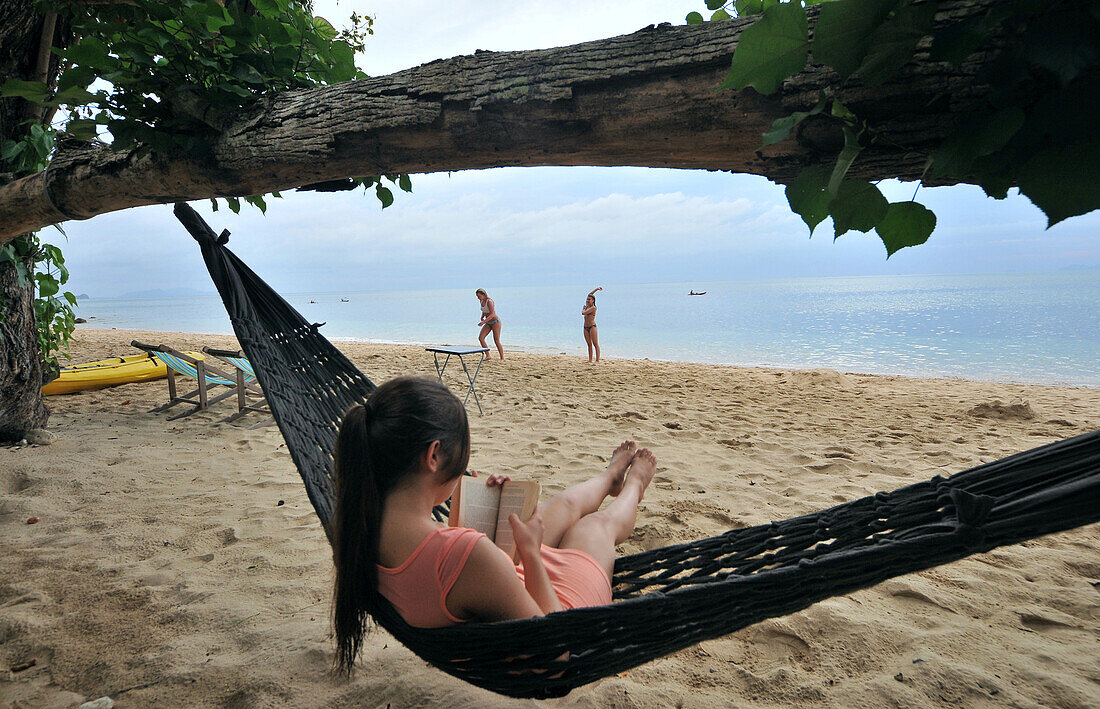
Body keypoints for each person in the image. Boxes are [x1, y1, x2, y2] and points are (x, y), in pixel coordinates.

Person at [330, 376, 657, 673]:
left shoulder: (360, 524)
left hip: (499, 594)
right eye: (461, 460)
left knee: (556, 508)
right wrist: (529, 552)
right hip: (560, 617)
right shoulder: (467, 554)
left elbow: (442, 568)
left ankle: (608, 477)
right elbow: (555, 654)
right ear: (433, 456)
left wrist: (477, 510)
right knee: (594, 528)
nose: (462, 470)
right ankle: (633, 487)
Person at [475, 288, 505, 361]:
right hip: (488, 322)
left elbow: (492, 314)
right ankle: (488, 355)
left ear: (483, 294)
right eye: (477, 296)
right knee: (481, 338)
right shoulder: (481, 301)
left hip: (495, 322)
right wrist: (482, 316)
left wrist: (483, 322)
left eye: (479, 296)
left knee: (496, 340)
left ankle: (502, 358)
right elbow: (485, 310)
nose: (478, 298)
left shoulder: (489, 301)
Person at [582, 286, 602, 363]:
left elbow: (583, 313)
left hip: (592, 327)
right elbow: (590, 294)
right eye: (587, 299)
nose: (587, 300)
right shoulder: (587, 305)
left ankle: (597, 360)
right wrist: (596, 289)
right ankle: (590, 360)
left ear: (593, 301)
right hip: (585, 327)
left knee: (595, 344)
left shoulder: (593, 308)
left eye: (589, 299)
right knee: (589, 344)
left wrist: (583, 308)